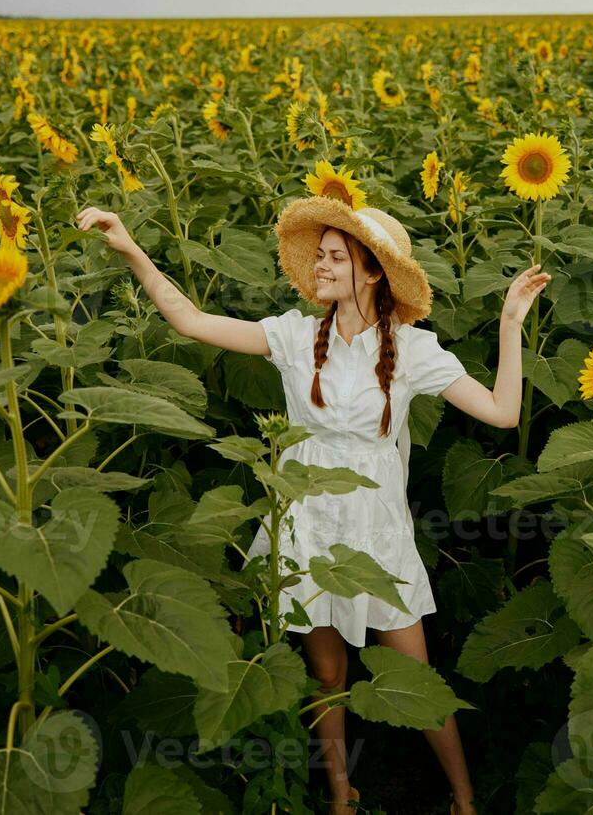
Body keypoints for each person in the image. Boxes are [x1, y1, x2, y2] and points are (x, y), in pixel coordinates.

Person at [76, 196, 549, 815]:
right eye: (319, 256)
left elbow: (502, 412)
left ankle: (463, 800)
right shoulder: (295, 337)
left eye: (334, 258)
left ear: (372, 272)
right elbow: (191, 320)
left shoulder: (412, 349)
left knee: (415, 678)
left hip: (377, 532)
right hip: (304, 523)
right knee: (327, 677)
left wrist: (510, 324)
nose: (319, 267)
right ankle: (341, 798)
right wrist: (131, 248)